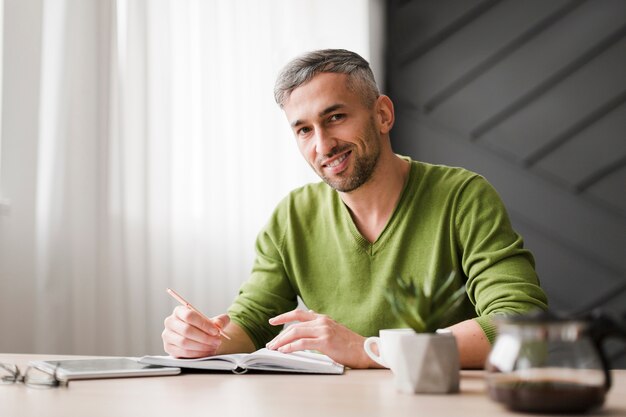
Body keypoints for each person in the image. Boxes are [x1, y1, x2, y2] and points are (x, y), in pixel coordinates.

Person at [161, 49, 548, 369]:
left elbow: (520, 321)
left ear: (382, 114)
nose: (323, 145)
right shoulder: (292, 216)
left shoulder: (463, 197)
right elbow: (250, 321)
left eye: (335, 118)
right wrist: (206, 341)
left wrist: (371, 350)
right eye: (304, 130)